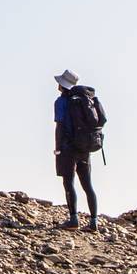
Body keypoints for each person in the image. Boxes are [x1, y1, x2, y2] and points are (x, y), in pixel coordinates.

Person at [52, 70, 106, 230]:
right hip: (85, 146)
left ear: (62, 85)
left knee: (68, 182)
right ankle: (93, 222)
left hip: (68, 147)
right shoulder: (85, 100)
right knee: (87, 185)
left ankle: (73, 219)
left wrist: (57, 148)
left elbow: (59, 125)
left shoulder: (61, 102)